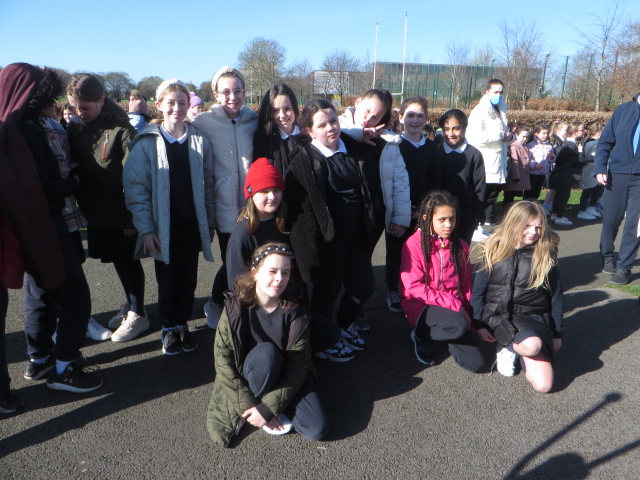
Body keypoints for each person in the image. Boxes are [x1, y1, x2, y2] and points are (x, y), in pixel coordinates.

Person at [0, 63, 103, 394]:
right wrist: (75, 180)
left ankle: (39, 357)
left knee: (41, 294)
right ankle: (64, 367)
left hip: (21, 230)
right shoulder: (29, 131)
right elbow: (45, 187)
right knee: (75, 297)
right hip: (44, 225)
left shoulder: (7, 128)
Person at [123, 79, 215, 355]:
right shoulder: (147, 142)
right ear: (160, 105)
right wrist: (146, 229)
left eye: (182, 103)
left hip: (191, 224)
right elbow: (136, 189)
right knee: (168, 279)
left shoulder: (199, 141)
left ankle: (181, 324)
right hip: (163, 226)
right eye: (171, 103)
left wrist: (209, 222)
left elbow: (208, 184)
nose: (177, 108)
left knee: (188, 279)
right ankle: (168, 327)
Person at [206, 243, 328, 447]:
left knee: (317, 428)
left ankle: (274, 406)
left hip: (286, 371)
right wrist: (251, 406)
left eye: (285, 272)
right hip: (253, 372)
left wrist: (268, 409)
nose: (279, 278)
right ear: (255, 273)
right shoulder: (236, 306)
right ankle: (262, 407)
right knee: (266, 354)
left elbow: (298, 364)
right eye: (272, 271)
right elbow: (223, 360)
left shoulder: (295, 309)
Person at [285, 99, 378, 361]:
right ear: (309, 131)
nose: (330, 128)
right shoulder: (303, 161)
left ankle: (344, 326)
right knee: (324, 296)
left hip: (357, 234)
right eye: (322, 125)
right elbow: (298, 212)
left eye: (334, 121)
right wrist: (309, 252)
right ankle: (323, 342)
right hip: (328, 240)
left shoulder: (353, 148)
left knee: (363, 287)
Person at [66, 73, 148, 343]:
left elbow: (134, 179)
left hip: (120, 213)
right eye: (74, 107)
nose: (79, 113)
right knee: (117, 260)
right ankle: (130, 303)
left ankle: (139, 312)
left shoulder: (122, 131)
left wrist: (130, 219)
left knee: (128, 261)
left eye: (85, 107)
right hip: (96, 212)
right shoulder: (77, 127)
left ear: (101, 101)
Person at [471, 201, 563, 393]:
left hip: (532, 317)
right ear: (513, 223)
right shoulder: (492, 250)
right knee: (532, 345)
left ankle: (516, 346)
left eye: (538, 227)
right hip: (498, 315)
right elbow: (478, 294)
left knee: (544, 385)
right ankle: (509, 345)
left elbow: (556, 297)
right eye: (527, 225)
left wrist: (557, 334)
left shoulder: (546, 255)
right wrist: (479, 325)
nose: (533, 232)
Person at [193, 66, 258, 329]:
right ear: (216, 95)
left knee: (252, 259)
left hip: (252, 205)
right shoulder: (202, 123)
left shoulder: (253, 120)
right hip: (222, 207)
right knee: (231, 261)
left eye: (238, 91)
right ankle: (216, 302)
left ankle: (246, 304)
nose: (233, 97)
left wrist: (358, 133)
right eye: (226, 92)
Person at [339, 89, 411, 321]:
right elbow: (319, 136)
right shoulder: (337, 127)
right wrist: (357, 133)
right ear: (358, 101)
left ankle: (352, 312)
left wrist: (400, 217)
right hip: (341, 216)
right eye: (367, 110)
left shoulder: (387, 142)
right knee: (337, 268)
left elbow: (400, 181)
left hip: (372, 218)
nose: (368, 119)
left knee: (360, 270)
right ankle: (339, 315)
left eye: (376, 117)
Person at [399, 190, 486, 372]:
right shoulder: (413, 244)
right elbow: (414, 288)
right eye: (442, 219)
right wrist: (455, 305)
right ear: (426, 218)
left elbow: (466, 285)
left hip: (453, 310)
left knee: (476, 363)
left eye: (452, 219)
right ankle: (421, 334)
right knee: (457, 325)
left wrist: (470, 317)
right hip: (421, 305)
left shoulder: (461, 246)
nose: (448, 225)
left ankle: (450, 332)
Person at [384, 96, 441, 313]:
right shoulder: (393, 146)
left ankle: (418, 291)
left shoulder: (432, 148)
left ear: (426, 118)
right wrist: (403, 212)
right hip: (398, 212)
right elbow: (389, 181)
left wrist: (422, 209)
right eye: (410, 115)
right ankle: (394, 290)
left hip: (424, 212)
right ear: (400, 117)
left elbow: (435, 182)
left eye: (420, 116)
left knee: (423, 253)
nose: (415, 120)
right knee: (396, 253)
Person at [595, 88, 640, 285]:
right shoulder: (623, 110)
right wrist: (600, 168)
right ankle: (606, 255)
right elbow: (605, 142)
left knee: (635, 224)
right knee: (611, 219)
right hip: (617, 175)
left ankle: (624, 267)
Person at [226, 157, 289, 284]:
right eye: (264, 191)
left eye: (276, 190)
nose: (272, 197)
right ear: (251, 195)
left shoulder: (286, 225)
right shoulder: (241, 237)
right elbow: (236, 284)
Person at [466, 78, 513, 239]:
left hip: (498, 162)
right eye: (495, 92)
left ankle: (479, 225)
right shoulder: (479, 111)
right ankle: (473, 228)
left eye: (501, 92)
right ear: (487, 92)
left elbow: (506, 134)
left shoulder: (501, 109)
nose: (498, 95)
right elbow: (475, 137)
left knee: (490, 197)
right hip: (485, 161)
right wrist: (500, 135)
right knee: (480, 196)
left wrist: (510, 137)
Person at [438, 109, 486, 246]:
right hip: (440, 214)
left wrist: (476, 215)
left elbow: (480, 187)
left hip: (465, 214)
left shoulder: (474, 154)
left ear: (464, 129)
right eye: (446, 129)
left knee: (461, 249)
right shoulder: (437, 152)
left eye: (456, 129)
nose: (451, 134)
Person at [253, 83, 300, 175]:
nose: (282, 115)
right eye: (276, 110)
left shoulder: (309, 136)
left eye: (287, 108)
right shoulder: (263, 141)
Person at [548, 121, 584, 226]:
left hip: (560, 173)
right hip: (566, 174)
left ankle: (555, 214)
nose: (584, 132)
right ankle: (560, 217)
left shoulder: (566, 144)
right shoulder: (570, 145)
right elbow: (573, 159)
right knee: (563, 196)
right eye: (582, 130)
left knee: (558, 195)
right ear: (574, 132)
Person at [577, 123, 605, 220]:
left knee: (598, 189)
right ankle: (582, 210)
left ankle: (591, 206)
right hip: (589, 169)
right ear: (598, 132)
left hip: (597, 169)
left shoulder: (598, 142)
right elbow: (587, 156)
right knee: (588, 190)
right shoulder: (590, 143)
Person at [503, 126, 533, 212]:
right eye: (523, 136)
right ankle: (507, 212)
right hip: (514, 177)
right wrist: (516, 177)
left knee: (512, 196)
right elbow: (514, 163)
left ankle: (511, 211)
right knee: (509, 196)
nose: (525, 139)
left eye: (527, 137)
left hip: (520, 176)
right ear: (516, 135)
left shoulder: (523, 147)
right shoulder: (514, 147)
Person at [524, 124, 555, 203]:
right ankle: (526, 205)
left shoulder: (549, 146)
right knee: (529, 192)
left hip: (542, 173)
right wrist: (534, 164)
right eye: (543, 133)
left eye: (547, 133)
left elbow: (551, 160)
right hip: (532, 173)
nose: (546, 135)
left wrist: (552, 157)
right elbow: (527, 159)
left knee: (537, 192)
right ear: (536, 134)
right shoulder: (531, 145)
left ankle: (533, 204)